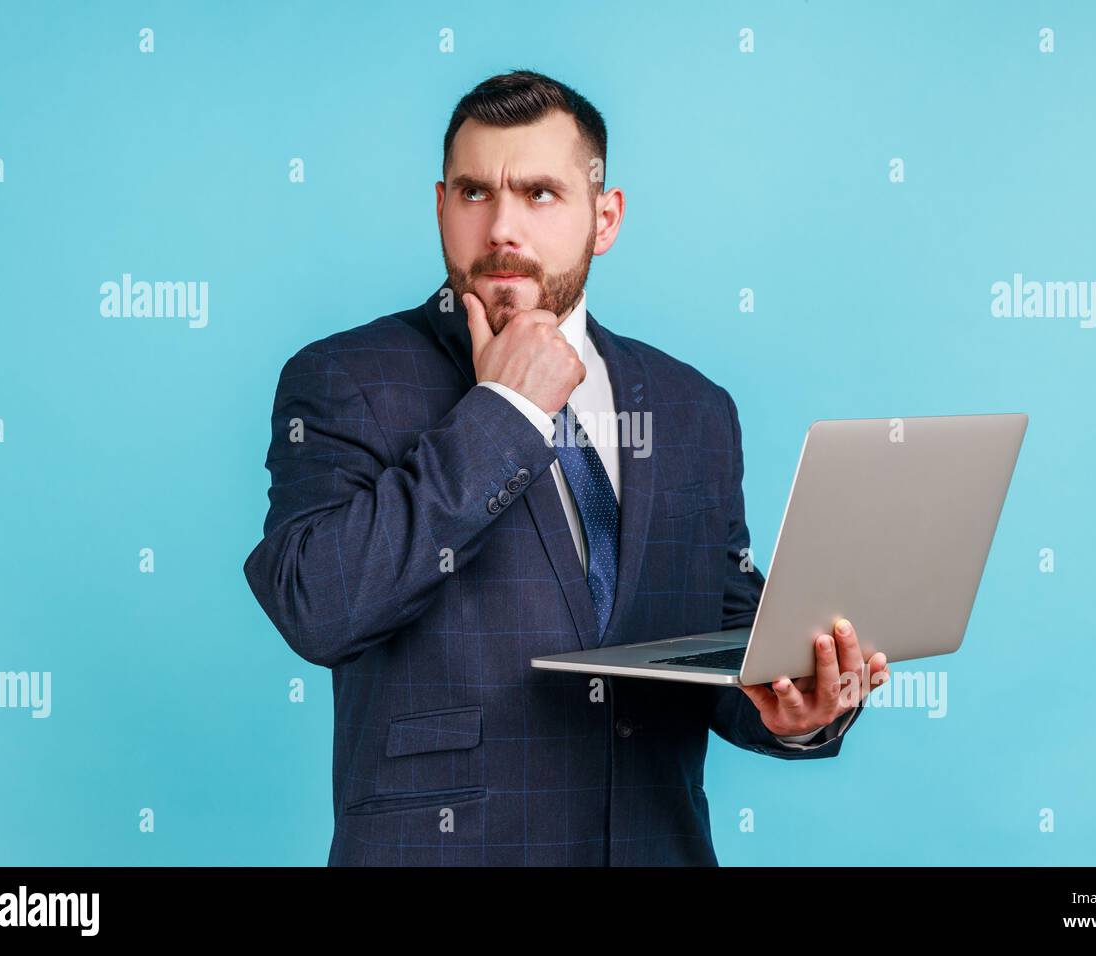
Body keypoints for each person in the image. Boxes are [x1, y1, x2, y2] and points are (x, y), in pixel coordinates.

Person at [243, 69, 889, 866]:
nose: (502, 228)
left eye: (541, 194)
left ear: (604, 217)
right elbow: (320, 606)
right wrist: (504, 416)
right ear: (442, 206)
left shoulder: (694, 408)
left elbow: (721, 644)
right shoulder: (346, 378)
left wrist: (800, 707)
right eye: (476, 194)